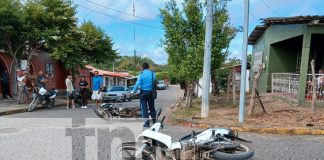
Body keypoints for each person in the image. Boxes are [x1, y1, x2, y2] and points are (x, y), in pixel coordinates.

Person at [132, 62, 157, 128]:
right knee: (152, 108)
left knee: (144, 109)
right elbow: (155, 82)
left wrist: (133, 91)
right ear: (148, 67)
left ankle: (146, 123)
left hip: (143, 93)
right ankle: (154, 122)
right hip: (151, 93)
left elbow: (137, 84)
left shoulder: (141, 74)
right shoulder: (153, 74)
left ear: (143, 68)